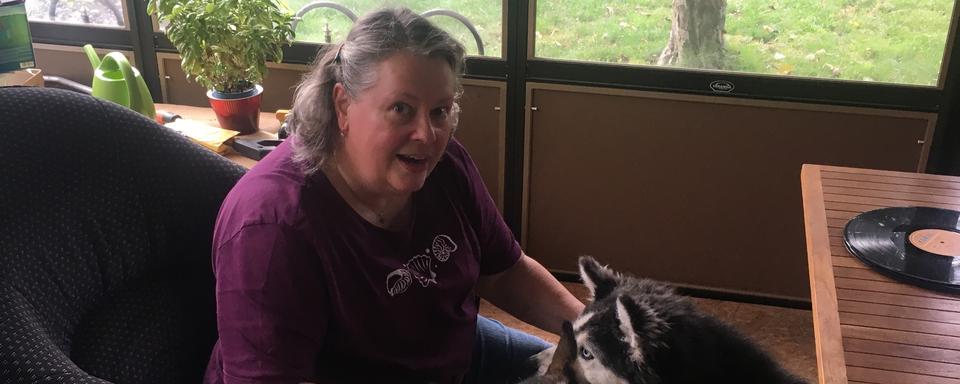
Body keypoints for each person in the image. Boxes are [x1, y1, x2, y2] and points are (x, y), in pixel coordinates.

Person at [204, 7, 584, 384]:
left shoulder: (445, 164)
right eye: (401, 109)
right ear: (343, 106)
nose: (428, 134)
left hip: (454, 350)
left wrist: (596, 332)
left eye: (440, 111)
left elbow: (503, 272)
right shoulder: (272, 227)